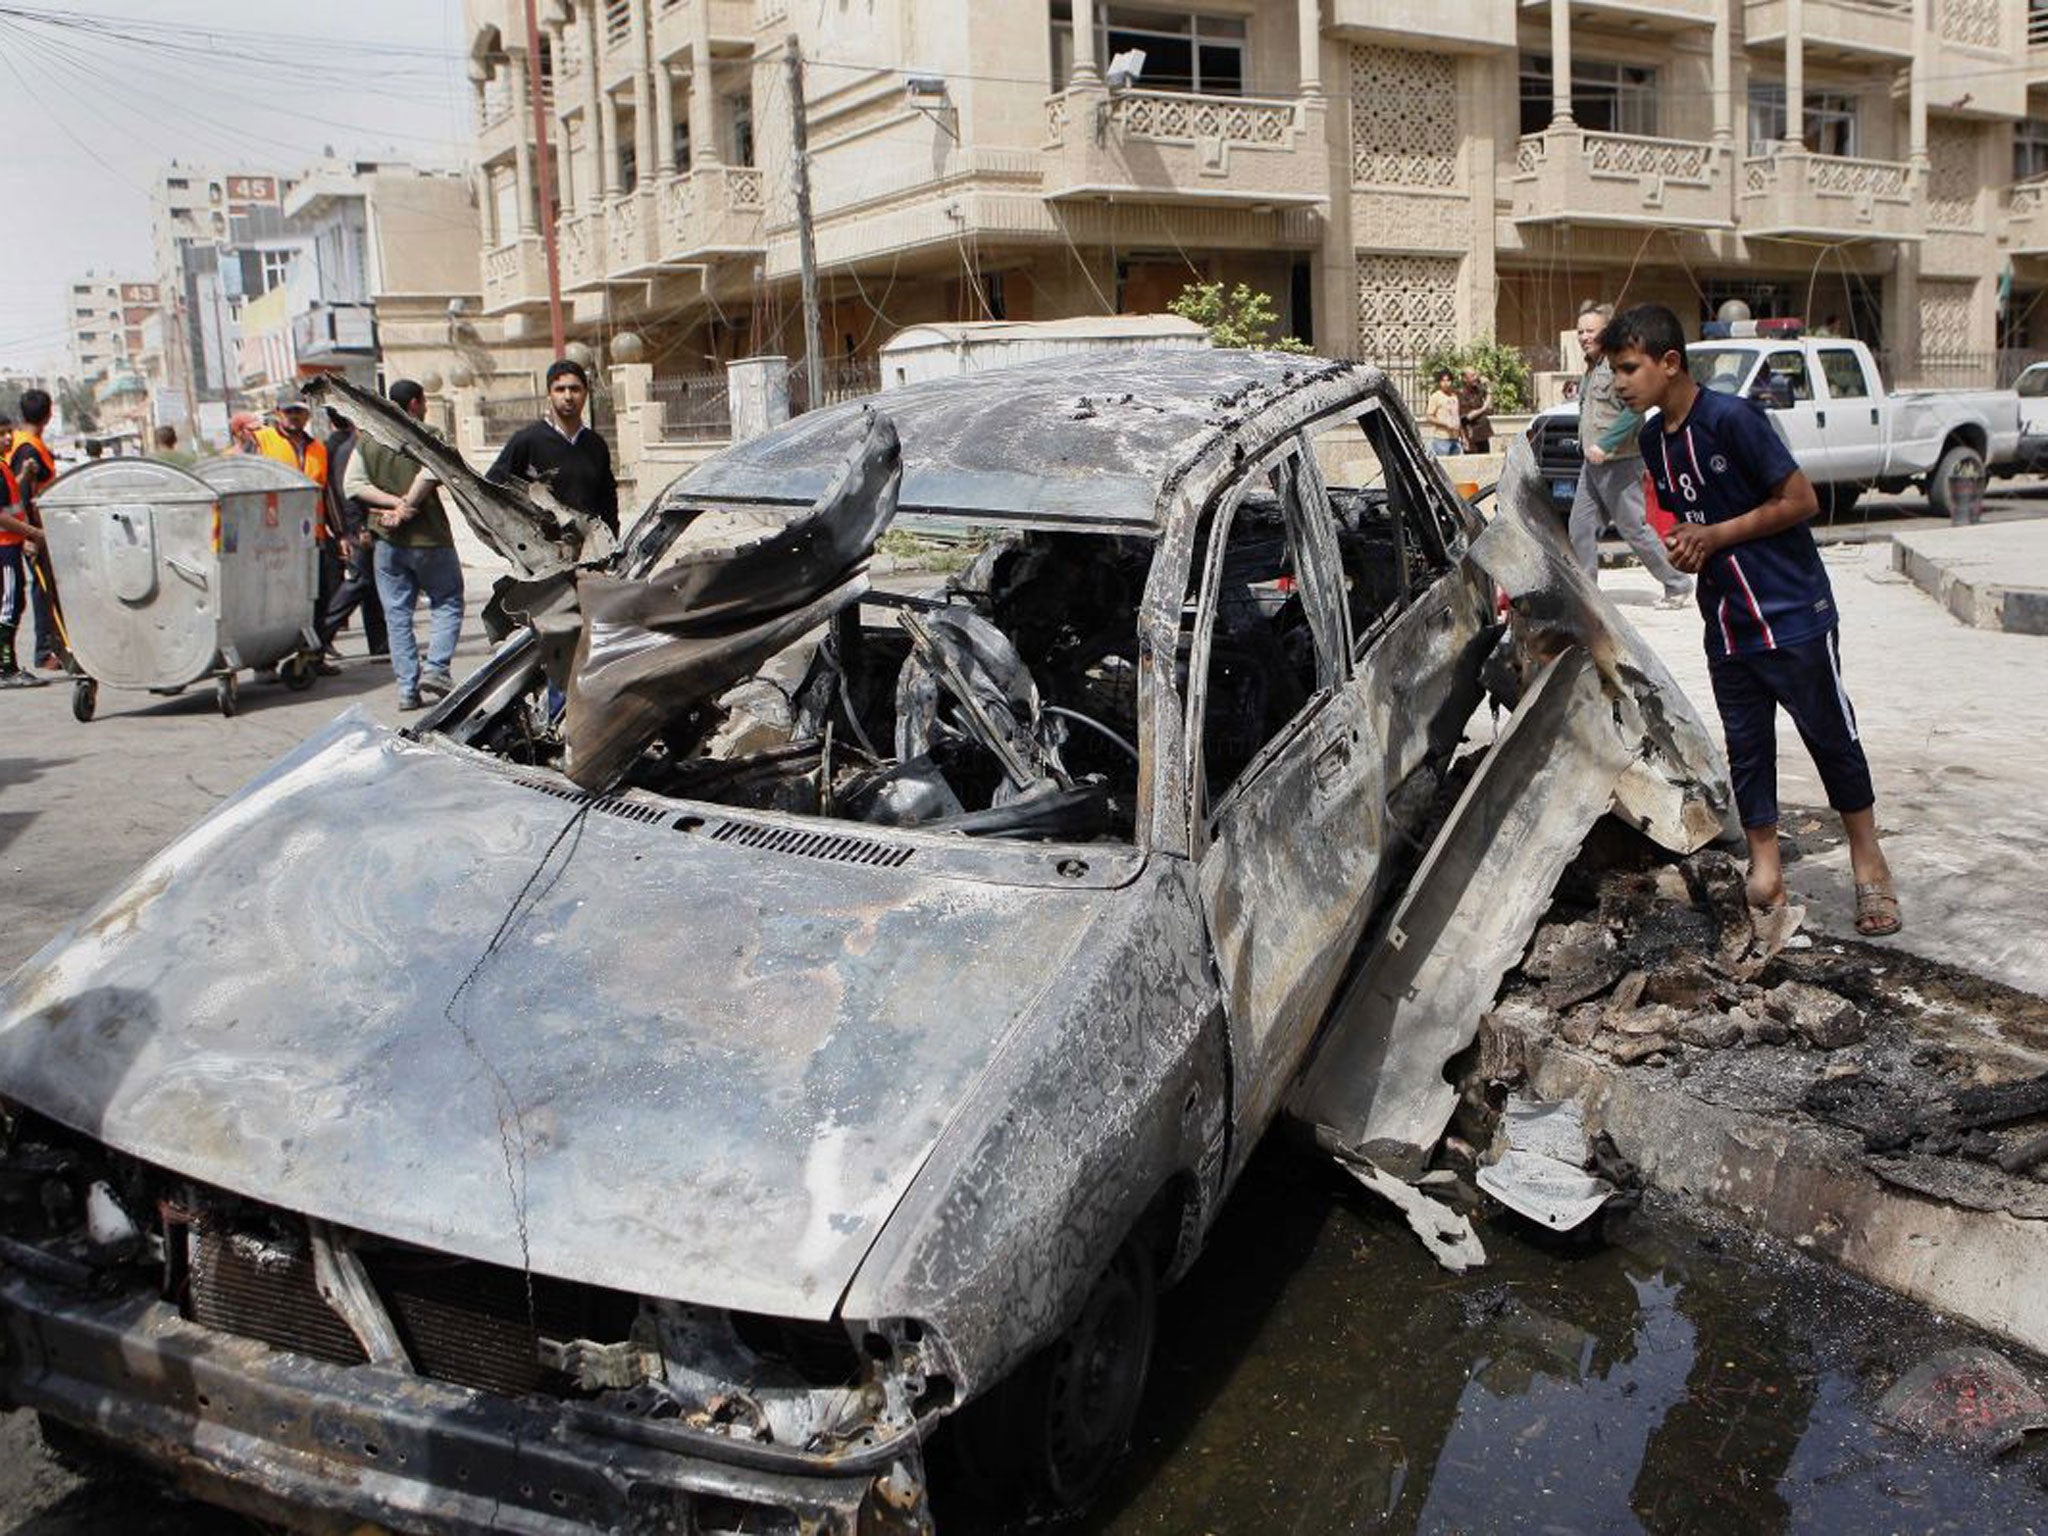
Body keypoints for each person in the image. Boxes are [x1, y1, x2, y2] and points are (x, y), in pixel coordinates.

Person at [1601, 302, 1900, 938]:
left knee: (1829, 733)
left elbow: (1800, 500)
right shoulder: (1653, 439)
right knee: (1746, 743)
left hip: (1791, 610)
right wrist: (1685, 541)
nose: (1619, 383)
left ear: (1669, 362)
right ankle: (1766, 868)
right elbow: (1685, 520)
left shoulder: (1732, 418)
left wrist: (1715, 535)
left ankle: (1869, 860)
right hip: (1729, 620)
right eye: (1613, 371)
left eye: (1628, 368)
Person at [347, 379, 462, 712]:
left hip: (387, 542)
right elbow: (431, 472)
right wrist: (406, 505)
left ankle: (407, 689)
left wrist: (392, 506)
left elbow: (352, 484)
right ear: (415, 403)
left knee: (397, 615)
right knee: (448, 601)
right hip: (431, 539)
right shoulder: (430, 435)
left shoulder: (369, 440)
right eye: (423, 401)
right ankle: (437, 669)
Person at [1569, 302, 1692, 609]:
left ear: (1606, 332)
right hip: (1593, 465)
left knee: (1634, 529)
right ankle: (1588, 594)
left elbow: (1633, 411)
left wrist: (1606, 443)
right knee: (1579, 526)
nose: (1584, 336)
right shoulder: (1591, 367)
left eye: (1591, 331)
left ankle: (1677, 583)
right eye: (1580, 331)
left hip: (1620, 462)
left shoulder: (1615, 368)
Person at [255, 395, 345, 672]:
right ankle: (265, 662)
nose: (295, 416)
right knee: (273, 601)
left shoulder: (317, 447)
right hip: (272, 539)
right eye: (290, 411)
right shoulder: (261, 441)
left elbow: (326, 491)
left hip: (312, 537)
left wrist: (340, 532)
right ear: (279, 413)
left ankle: (313, 657)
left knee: (318, 598)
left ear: (307, 416)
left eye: (300, 412)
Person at [486, 359, 619, 534]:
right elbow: (492, 488)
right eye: (560, 389)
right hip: (542, 552)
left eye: (575, 389)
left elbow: (608, 501)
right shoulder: (527, 440)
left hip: (590, 550)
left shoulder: (596, 444)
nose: (568, 396)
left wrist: (612, 544)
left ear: (586, 393)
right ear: (549, 395)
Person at [315, 408, 387, 660]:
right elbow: (347, 494)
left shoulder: (359, 447)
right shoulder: (350, 450)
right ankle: (319, 637)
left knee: (372, 588)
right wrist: (357, 529)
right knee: (359, 582)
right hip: (359, 528)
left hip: (366, 526)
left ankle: (380, 645)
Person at [10, 389, 64, 669]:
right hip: (34, 530)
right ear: (49, 414)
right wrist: (30, 534)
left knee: (47, 587)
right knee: (42, 589)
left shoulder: (25, 443)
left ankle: (55, 643)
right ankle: (44, 651)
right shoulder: (27, 449)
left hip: (38, 528)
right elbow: (22, 492)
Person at [0, 454, 41, 687]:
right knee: (10, 606)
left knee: (13, 603)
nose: (7, 438)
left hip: (10, 544)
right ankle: (6, 668)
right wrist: (32, 533)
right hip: (4, 547)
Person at [1424, 370, 1462, 457]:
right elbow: (1429, 417)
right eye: (1443, 381)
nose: (1445, 383)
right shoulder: (1436, 396)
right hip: (1441, 439)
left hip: (1455, 439)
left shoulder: (1455, 396)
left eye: (1448, 380)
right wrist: (1445, 424)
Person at [1457, 367, 1493, 453]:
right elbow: (1467, 417)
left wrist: (1489, 388)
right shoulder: (1461, 394)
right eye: (1472, 376)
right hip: (1471, 436)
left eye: (1476, 375)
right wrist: (1483, 408)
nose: (1476, 377)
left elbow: (1490, 407)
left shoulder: (1478, 390)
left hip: (1483, 435)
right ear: (1465, 379)